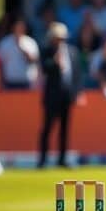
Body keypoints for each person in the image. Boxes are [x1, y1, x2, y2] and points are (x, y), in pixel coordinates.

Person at [38, 23, 82, 168]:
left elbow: (76, 74)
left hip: (67, 95)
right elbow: (44, 68)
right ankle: (43, 159)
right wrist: (54, 63)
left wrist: (77, 93)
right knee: (47, 128)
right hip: (52, 95)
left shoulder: (73, 51)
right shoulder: (47, 51)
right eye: (57, 38)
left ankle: (62, 159)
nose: (60, 41)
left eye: (62, 38)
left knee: (65, 129)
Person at [0, 18, 40, 90]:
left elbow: (34, 61)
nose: (19, 29)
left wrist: (22, 48)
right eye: (17, 26)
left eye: (21, 26)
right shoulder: (4, 43)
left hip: (27, 82)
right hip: (9, 83)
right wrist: (0, 82)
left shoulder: (30, 42)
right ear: (13, 27)